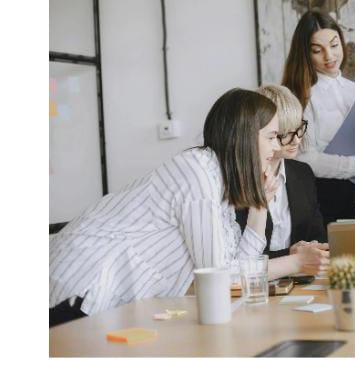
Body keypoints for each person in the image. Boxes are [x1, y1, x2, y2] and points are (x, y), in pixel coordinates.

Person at [49, 89, 328, 326]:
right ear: (245, 136)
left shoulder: (219, 182)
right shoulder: (197, 172)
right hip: (82, 285)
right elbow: (219, 277)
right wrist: (295, 262)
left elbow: (238, 267)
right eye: (271, 137)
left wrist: (260, 205)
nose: (276, 148)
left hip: (111, 298)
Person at [282, 9, 355, 226]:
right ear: (305, 53)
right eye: (317, 50)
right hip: (318, 200)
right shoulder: (300, 96)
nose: (329, 56)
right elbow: (304, 161)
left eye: (334, 45)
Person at [235, 84, 328, 258]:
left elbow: (317, 235)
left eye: (299, 128)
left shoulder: (302, 173)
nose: (297, 140)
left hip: (302, 277)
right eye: (285, 134)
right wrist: (291, 255)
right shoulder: (238, 180)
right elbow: (240, 257)